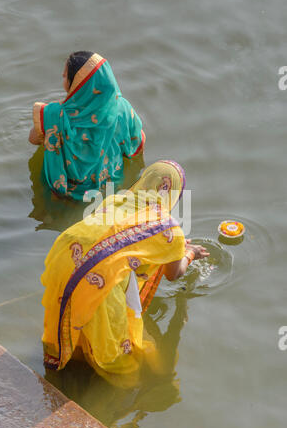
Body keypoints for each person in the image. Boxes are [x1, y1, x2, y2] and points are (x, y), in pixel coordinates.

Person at [41, 160, 209, 386]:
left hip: (64, 256)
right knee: (121, 360)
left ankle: (70, 365)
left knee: (75, 314)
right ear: (174, 195)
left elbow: (116, 241)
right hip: (99, 280)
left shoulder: (115, 200)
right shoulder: (168, 228)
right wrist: (188, 254)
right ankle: (113, 390)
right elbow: (173, 274)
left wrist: (173, 247)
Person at [29, 51, 145, 200]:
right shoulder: (122, 108)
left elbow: (32, 139)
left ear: (75, 84)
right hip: (111, 186)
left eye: (65, 76)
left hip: (66, 194)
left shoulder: (55, 115)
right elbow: (139, 142)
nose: (62, 79)